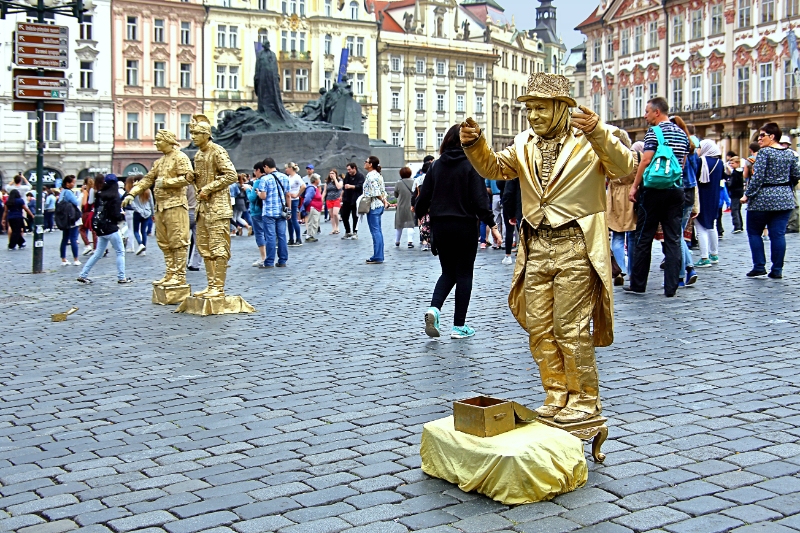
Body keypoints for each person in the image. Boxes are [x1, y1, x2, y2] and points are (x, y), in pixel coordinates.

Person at [461, 72, 635, 423]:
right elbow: (496, 168)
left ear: (561, 108)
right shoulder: (524, 141)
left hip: (576, 245)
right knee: (539, 327)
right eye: (530, 109)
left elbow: (625, 169)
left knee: (569, 327)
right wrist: (475, 144)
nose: (534, 116)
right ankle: (556, 393)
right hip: (537, 245)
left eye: (541, 108)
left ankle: (584, 399)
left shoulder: (595, 137)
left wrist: (598, 132)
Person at [416, 124, 502, 339]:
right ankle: (458, 326)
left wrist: (420, 214)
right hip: (464, 226)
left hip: (441, 226)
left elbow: (422, 199)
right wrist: (492, 226)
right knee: (464, 273)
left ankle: (434, 309)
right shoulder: (471, 165)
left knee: (447, 272)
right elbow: (480, 201)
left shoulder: (436, 166)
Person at [627, 97, 690, 297]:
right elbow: (683, 162)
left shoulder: (654, 132)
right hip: (675, 188)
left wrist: (635, 186)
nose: (644, 115)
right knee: (673, 238)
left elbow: (645, 160)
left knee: (643, 237)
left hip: (653, 189)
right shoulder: (682, 133)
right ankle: (671, 286)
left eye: (647, 112)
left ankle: (638, 284)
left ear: (657, 112)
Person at [122, 129, 194, 287]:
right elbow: (147, 179)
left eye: (158, 140)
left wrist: (167, 183)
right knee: (164, 242)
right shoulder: (159, 162)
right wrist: (132, 194)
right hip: (160, 207)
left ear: (167, 141)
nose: (155, 143)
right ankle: (170, 272)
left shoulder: (180, 157)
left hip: (176, 205)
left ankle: (179, 275)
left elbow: (189, 178)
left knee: (178, 241)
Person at [188, 114, 239, 298]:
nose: (192, 137)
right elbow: (201, 178)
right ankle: (211, 286)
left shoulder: (217, 151)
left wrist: (209, 188)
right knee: (204, 247)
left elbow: (231, 175)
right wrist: (192, 177)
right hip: (202, 208)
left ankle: (218, 286)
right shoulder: (198, 154)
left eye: (196, 134)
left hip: (218, 208)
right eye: (191, 133)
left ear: (206, 134)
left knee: (218, 248)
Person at [742, 122, 800, 279]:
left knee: (754, 232)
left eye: (762, 135)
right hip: (785, 199)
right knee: (778, 235)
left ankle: (759, 265)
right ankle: (777, 269)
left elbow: (758, 177)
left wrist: (747, 194)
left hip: (763, 198)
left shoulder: (764, 153)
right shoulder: (790, 153)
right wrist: (785, 188)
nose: (759, 139)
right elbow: (796, 175)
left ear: (772, 136)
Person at [77, 174, 132, 284]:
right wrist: (122, 215)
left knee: (97, 253)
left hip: (99, 227)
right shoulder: (115, 197)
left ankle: (83, 274)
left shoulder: (100, 194)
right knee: (120, 252)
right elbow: (116, 215)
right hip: (111, 228)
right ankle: (122, 277)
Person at [607, 136, 639, 286]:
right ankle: (632, 272)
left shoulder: (610, 157)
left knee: (617, 235)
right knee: (632, 236)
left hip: (615, 196)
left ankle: (620, 268)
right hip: (632, 194)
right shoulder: (635, 156)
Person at [693, 140, 723, 268]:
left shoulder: (701, 161)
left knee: (700, 227)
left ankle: (704, 257)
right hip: (714, 196)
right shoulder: (720, 163)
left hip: (701, 196)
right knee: (712, 225)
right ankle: (714, 254)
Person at [256, 158, 291, 268]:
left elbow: (263, 196)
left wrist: (258, 193)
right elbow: (288, 195)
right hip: (281, 211)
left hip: (269, 212)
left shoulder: (265, 179)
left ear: (266, 166)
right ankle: (282, 261)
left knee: (270, 237)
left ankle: (269, 262)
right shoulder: (285, 177)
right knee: (282, 236)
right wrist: (288, 210)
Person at [362, 155, 388, 264]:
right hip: (379, 206)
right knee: (378, 231)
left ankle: (378, 256)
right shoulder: (378, 175)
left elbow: (376, 192)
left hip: (374, 206)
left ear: (370, 164)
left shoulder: (371, 176)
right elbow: (383, 190)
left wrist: (383, 200)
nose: (364, 163)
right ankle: (379, 255)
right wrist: (384, 200)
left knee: (375, 231)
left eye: (366, 161)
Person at [58, 175, 82, 266]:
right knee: (73, 238)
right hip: (71, 218)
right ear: (67, 183)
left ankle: (63, 259)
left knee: (64, 239)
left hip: (65, 218)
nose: (73, 184)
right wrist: (81, 195)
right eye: (73, 182)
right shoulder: (68, 192)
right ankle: (76, 259)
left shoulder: (62, 192)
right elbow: (76, 202)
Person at [247, 163, 268, 267]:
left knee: (259, 233)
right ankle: (269, 256)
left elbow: (252, 198)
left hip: (257, 211)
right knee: (268, 233)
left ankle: (263, 257)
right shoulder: (269, 179)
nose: (254, 173)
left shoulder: (258, 182)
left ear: (259, 170)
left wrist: (247, 189)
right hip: (267, 210)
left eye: (255, 171)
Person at [130, 175, 154, 256]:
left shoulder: (134, 190)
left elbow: (131, 202)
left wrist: (137, 209)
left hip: (137, 213)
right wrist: (153, 213)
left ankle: (140, 244)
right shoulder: (148, 190)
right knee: (144, 231)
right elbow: (151, 203)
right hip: (147, 213)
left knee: (136, 231)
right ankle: (144, 250)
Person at [394, 166, 417, 248]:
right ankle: (410, 241)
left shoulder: (398, 183)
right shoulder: (414, 181)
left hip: (401, 206)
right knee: (410, 223)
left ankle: (397, 241)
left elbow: (395, 194)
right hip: (411, 205)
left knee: (399, 224)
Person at [340, 162, 364, 239]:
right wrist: (341, 195)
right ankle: (347, 231)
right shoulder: (347, 176)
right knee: (344, 215)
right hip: (347, 198)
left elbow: (360, 186)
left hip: (356, 199)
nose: (348, 171)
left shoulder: (360, 176)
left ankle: (355, 232)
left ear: (354, 168)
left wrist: (351, 186)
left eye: (349, 169)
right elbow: (344, 186)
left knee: (355, 216)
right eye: (347, 170)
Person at [285, 162, 305, 246]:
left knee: (293, 219)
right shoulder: (289, 177)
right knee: (289, 220)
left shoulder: (297, 177)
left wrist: (297, 194)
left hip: (294, 199)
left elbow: (303, 186)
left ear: (290, 168)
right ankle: (291, 238)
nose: (285, 170)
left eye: (286, 168)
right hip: (288, 199)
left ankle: (298, 238)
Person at [725, 156, 745, 234]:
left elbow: (732, 184)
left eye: (732, 163)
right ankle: (740, 225)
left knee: (734, 209)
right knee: (738, 209)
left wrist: (727, 183)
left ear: (737, 163)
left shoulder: (735, 173)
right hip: (740, 192)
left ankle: (737, 226)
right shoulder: (740, 172)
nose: (731, 165)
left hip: (735, 193)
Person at [301, 174, 323, 242]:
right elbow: (307, 198)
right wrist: (308, 206)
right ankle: (309, 235)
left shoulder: (314, 188)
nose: (319, 180)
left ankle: (311, 235)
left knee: (314, 221)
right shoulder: (311, 188)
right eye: (319, 179)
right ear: (316, 180)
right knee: (312, 221)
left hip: (315, 208)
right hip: (313, 208)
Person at [79, 177, 97, 256]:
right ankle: (96, 247)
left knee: (82, 229)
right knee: (94, 230)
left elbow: (84, 203)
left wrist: (83, 192)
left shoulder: (86, 192)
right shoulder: (94, 190)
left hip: (86, 212)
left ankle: (87, 245)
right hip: (93, 211)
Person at [322, 170, 343, 234]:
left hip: (336, 198)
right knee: (331, 215)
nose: (331, 174)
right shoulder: (327, 182)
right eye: (330, 173)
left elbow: (339, 187)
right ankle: (333, 228)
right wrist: (322, 198)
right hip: (329, 199)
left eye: (333, 173)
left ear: (336, 174)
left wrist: (335, 179)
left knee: (335, 213)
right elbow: (325, 191)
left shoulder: (340, 180)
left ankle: (337, 227)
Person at [123, 177, 137, 252]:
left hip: (128, 211)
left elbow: (121, 201)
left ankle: (132, 247)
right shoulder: (136, 190)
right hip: (137, 211)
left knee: (130, 229)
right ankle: (141, 245)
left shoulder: (127, 192)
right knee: (138, 230)